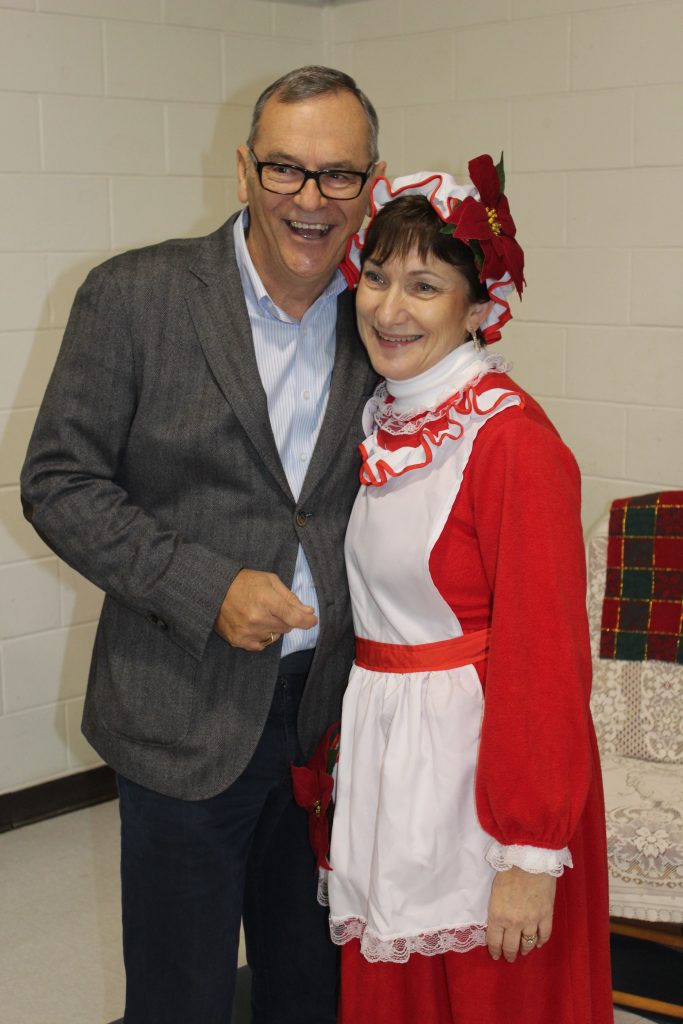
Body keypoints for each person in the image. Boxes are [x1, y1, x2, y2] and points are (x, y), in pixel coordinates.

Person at [20, 66, 385, 1024]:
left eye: (339, 174)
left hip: (331, 721)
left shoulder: (379, 317)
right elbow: (57, 482)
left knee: (311, 990)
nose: (310, 199)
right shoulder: (134, 295)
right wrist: (205, 584)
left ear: (370, 183)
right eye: (284, 168)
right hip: (180, 706)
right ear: (243, 169)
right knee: (179, 995)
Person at [324, 160, 613, 1023]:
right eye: (377, 277)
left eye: (424, 286)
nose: (388, 308)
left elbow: (544, 658)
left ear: (478, 309)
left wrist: (527, 851)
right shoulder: (384, 418)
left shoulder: (511, 442)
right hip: (395, 763)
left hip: (483, 790)